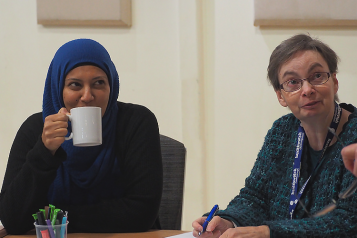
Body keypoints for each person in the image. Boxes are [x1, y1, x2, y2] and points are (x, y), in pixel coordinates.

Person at [192, 34, 357, 237]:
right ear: (281, 96)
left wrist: (269, 233)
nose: (307, 89)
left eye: (317, 76)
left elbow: (349, 222)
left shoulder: (354, 136)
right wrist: (229, 221)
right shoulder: (282, 132)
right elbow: (255, 197)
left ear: (335, 82)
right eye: (292, 82)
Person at [0, 39, 163, 234]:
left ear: (112, 87)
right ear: (58, 87)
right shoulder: (36, 129)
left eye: (99, 83)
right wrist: (44, 151)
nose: (87, 96)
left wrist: (57, 217)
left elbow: (141, 214)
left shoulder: (137, 122)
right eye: (75, 85)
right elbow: (13, 219)